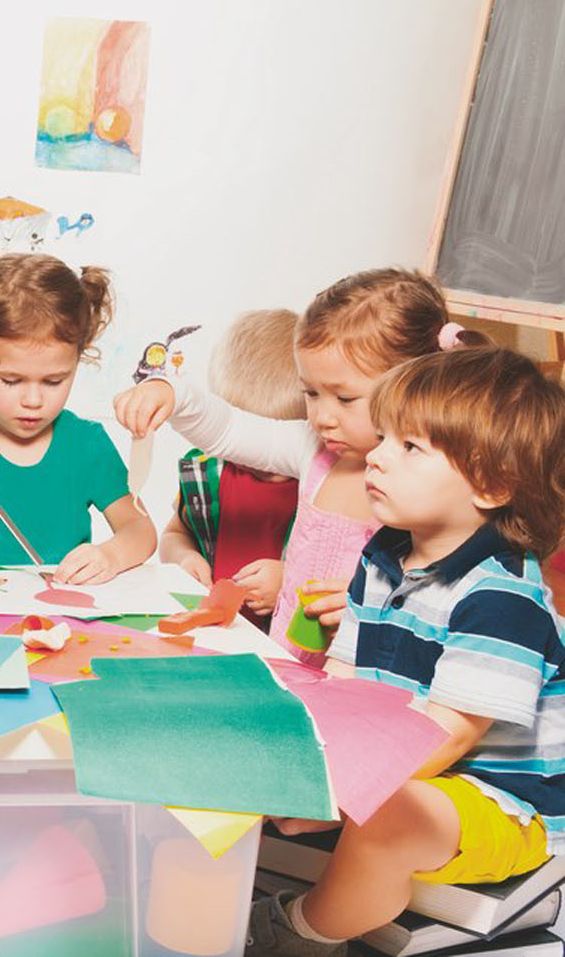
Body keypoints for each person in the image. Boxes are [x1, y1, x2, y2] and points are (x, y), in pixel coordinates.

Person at [247, 346, 565, 957]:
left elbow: (449, 736)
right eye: (385, 436)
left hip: (500, 801)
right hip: (415, 771)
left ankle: (296, 932)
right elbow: (344, 685)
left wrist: (338, 794)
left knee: (387, 819)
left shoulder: (502, 596)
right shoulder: (384, 554)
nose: (377, 455)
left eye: (410, 447)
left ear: (493, 484)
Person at [115, 269, 486, 660]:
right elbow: (229, 430)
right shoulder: (312, 449)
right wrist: (173, 394)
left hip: (358, 672)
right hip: (285, 660)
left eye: (345, 399)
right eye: (311, 393)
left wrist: (367, 604)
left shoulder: (424, 485)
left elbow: (439, 596)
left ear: (411, 388)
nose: (322, 417)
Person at [0, 253, 155, 582]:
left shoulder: (86, 442)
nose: (33, 401)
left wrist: (110, 555)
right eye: (11, 380)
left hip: (64, 605)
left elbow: (140, 530)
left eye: (54, 381)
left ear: (77, 358)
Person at [161, 309, 303, 630]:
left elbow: (343, 574)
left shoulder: (319, 486)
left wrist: (289, 580)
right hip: (216, 632)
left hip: (281, 641)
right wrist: (184, 558)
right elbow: (174, 534)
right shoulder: (207, 473)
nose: (259, 457)